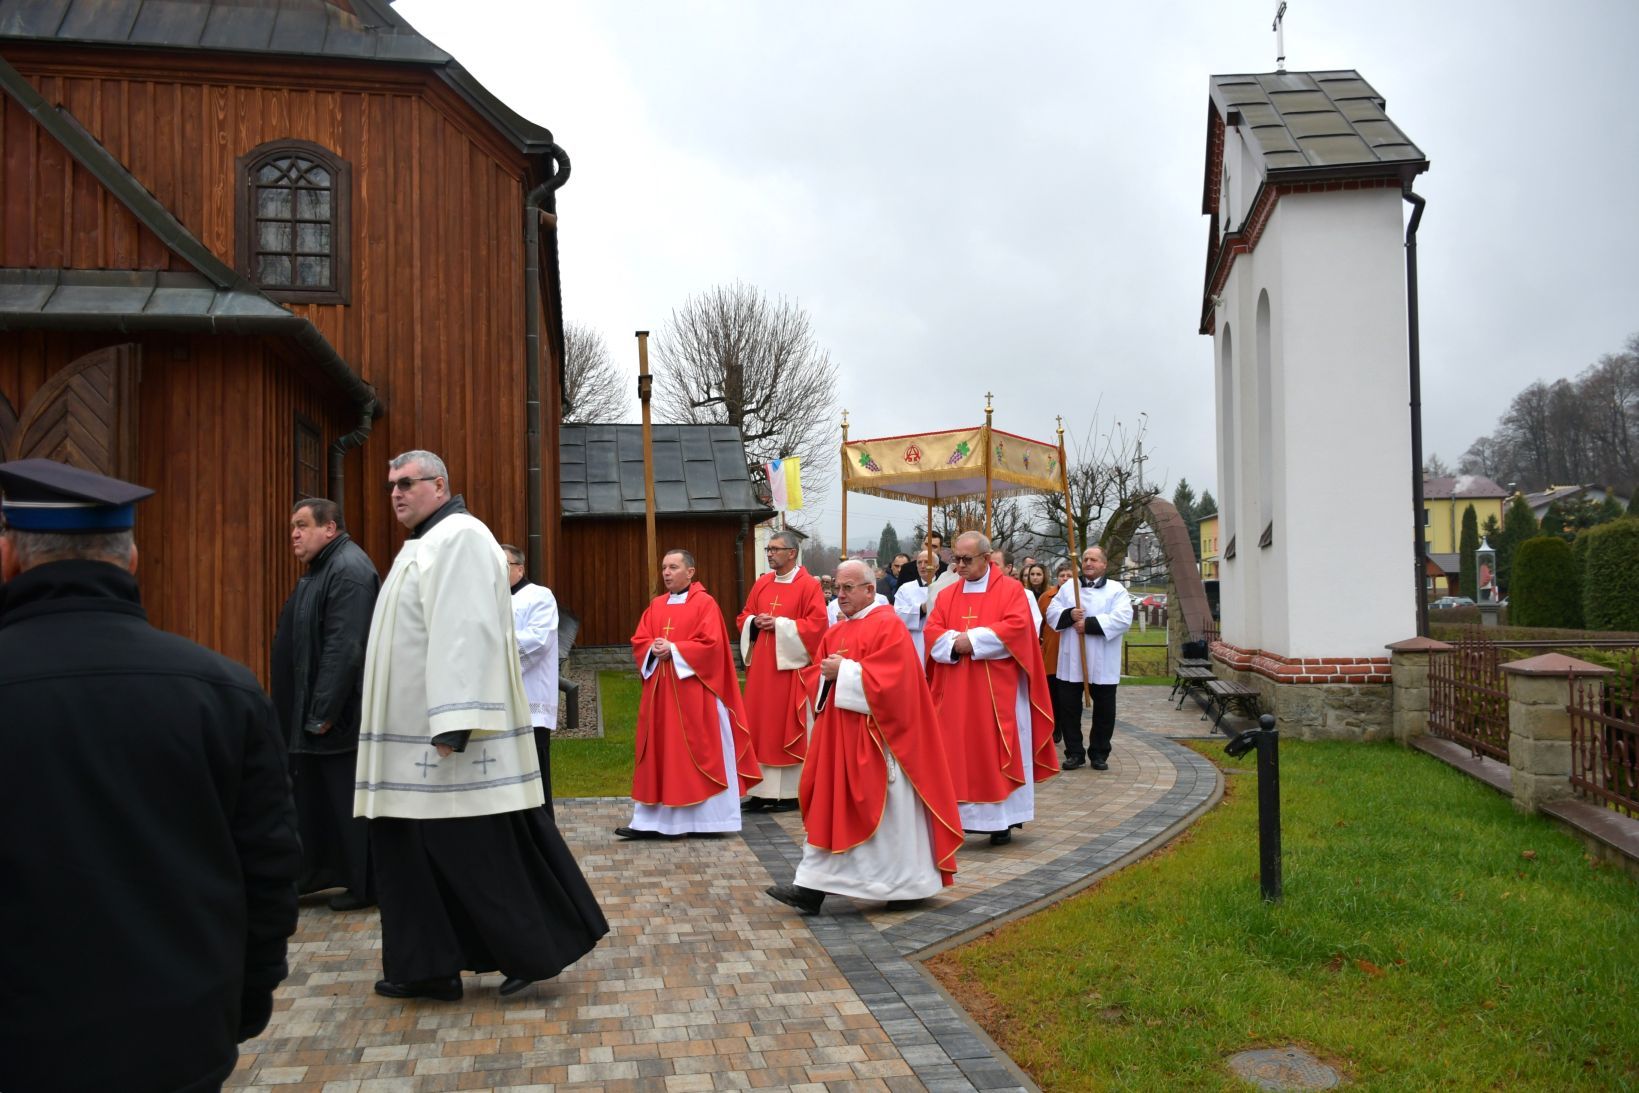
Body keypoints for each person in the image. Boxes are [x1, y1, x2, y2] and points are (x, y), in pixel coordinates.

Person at [0, 459, 300, 1093]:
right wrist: (245, 998)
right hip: (178, 1036)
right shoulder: (224, 691)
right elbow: (269, 869)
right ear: (131, 559)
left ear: (8, 558)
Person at [356, 450, 606, 1001]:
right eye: (391, 484)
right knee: (411, 852)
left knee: (479, 855)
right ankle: (427, 967)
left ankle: (535, 950)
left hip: (444, 741)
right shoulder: (425, 541)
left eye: (406, 483)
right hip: (410, 740)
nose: (396, 493)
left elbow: (466, 632)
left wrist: (455, 722)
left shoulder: (462, 537)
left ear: (439, 485)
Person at [765, 561, 963, 914]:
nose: (840, 595)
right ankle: (810, 887)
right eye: (837, 588)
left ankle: (902, 887)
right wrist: (828, 675)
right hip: (838, 739)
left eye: (848, 588)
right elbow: (817, 675)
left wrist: (845, 671)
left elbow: (898, 683)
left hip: (879, 740)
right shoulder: (837, 630)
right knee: (831, 808)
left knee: (886, 816)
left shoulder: (889, 625)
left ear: (870, 590)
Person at [272, 496, 380, 912]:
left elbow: (344, 648)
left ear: (329, 528)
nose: (294, 535)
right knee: (320, 802)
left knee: (345, 804)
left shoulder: (347, 571)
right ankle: (322, 874)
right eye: (292, 527)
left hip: (336, 722)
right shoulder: (323, 568)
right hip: (316, 720)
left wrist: (321, 714)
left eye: (302, 525)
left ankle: (364, 884)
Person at [925, 531, 1058, 846]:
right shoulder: (947, 594)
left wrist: (970, 640)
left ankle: (1002, 821)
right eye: (955, 559)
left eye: (966, 559)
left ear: (986, 558)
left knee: (996, 750)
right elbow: (932, 631)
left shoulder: (1011, 590)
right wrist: (955, 643)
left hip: (999, 691)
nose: (959, 566)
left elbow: (1018, 628)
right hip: (956, 690)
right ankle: (958, 820)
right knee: (956, 752)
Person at [625, 548, 760, 838]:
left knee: (697, 754)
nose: (666, 573)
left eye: (673, 567)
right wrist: (652, 648)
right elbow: (640, 638)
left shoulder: (704, 604)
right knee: (659, 754)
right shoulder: (657, 605)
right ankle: (652, 822)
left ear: (690, 572)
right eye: (664, 567)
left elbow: (712, 646)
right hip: (660, 696)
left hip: (695, 695)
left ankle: (708, 822)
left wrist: (674, 649)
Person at [737, 530, 827, 813]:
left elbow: (817, 626)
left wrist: (780, 624)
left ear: (792, 553)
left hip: (790, 672)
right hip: (762, 671)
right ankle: (760, 791)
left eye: (775, 549)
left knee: (785, 727)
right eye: (768, 549)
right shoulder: (762, 583)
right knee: (760, 727)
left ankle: (790, 794)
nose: (770, 554)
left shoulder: (808, 586)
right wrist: (754, 622)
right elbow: (744, 616)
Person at [1046, 545, 1134, 771]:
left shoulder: (1116, 590)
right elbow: (1051, 613)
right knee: (1069, 709)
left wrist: (1090, 624)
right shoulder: (1069, 588)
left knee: (1104, 710)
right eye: (1085, 559)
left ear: (1104, 564)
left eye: (1094, 559)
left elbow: (1123, 618)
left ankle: (1099, 752)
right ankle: (1075, 753)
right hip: (1072, 660)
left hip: (1103, 660)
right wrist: (1069, 614)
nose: (1088, 563)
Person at [504, 543, 561, 819]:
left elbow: (538, 640)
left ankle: (541, 829)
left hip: (530, 698)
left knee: (533, 770)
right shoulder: (489, 598)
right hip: (499, 701)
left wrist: (494, 651)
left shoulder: (539, 596)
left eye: (503, 565)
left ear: (520, 568)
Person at [1041, 562, 1075, 743]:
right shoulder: (1047, 597)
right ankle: (1055, 726)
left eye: (1069, 576)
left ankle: (1064, 725)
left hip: (1071, 649)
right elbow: (1040, 622)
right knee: (1052, 692)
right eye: (1062, 576)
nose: (1065, 579)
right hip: (1052, 649)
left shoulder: (1079, 596)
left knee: (1068, 695)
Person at [893, 549, 937, 659]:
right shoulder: (905, 589)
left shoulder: (945, 587)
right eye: (919, 562)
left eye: (927, 562)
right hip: (915, 641)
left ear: (936, 567)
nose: (922, 566)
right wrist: (921, 609)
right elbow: (897, 616)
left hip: (938, 640)